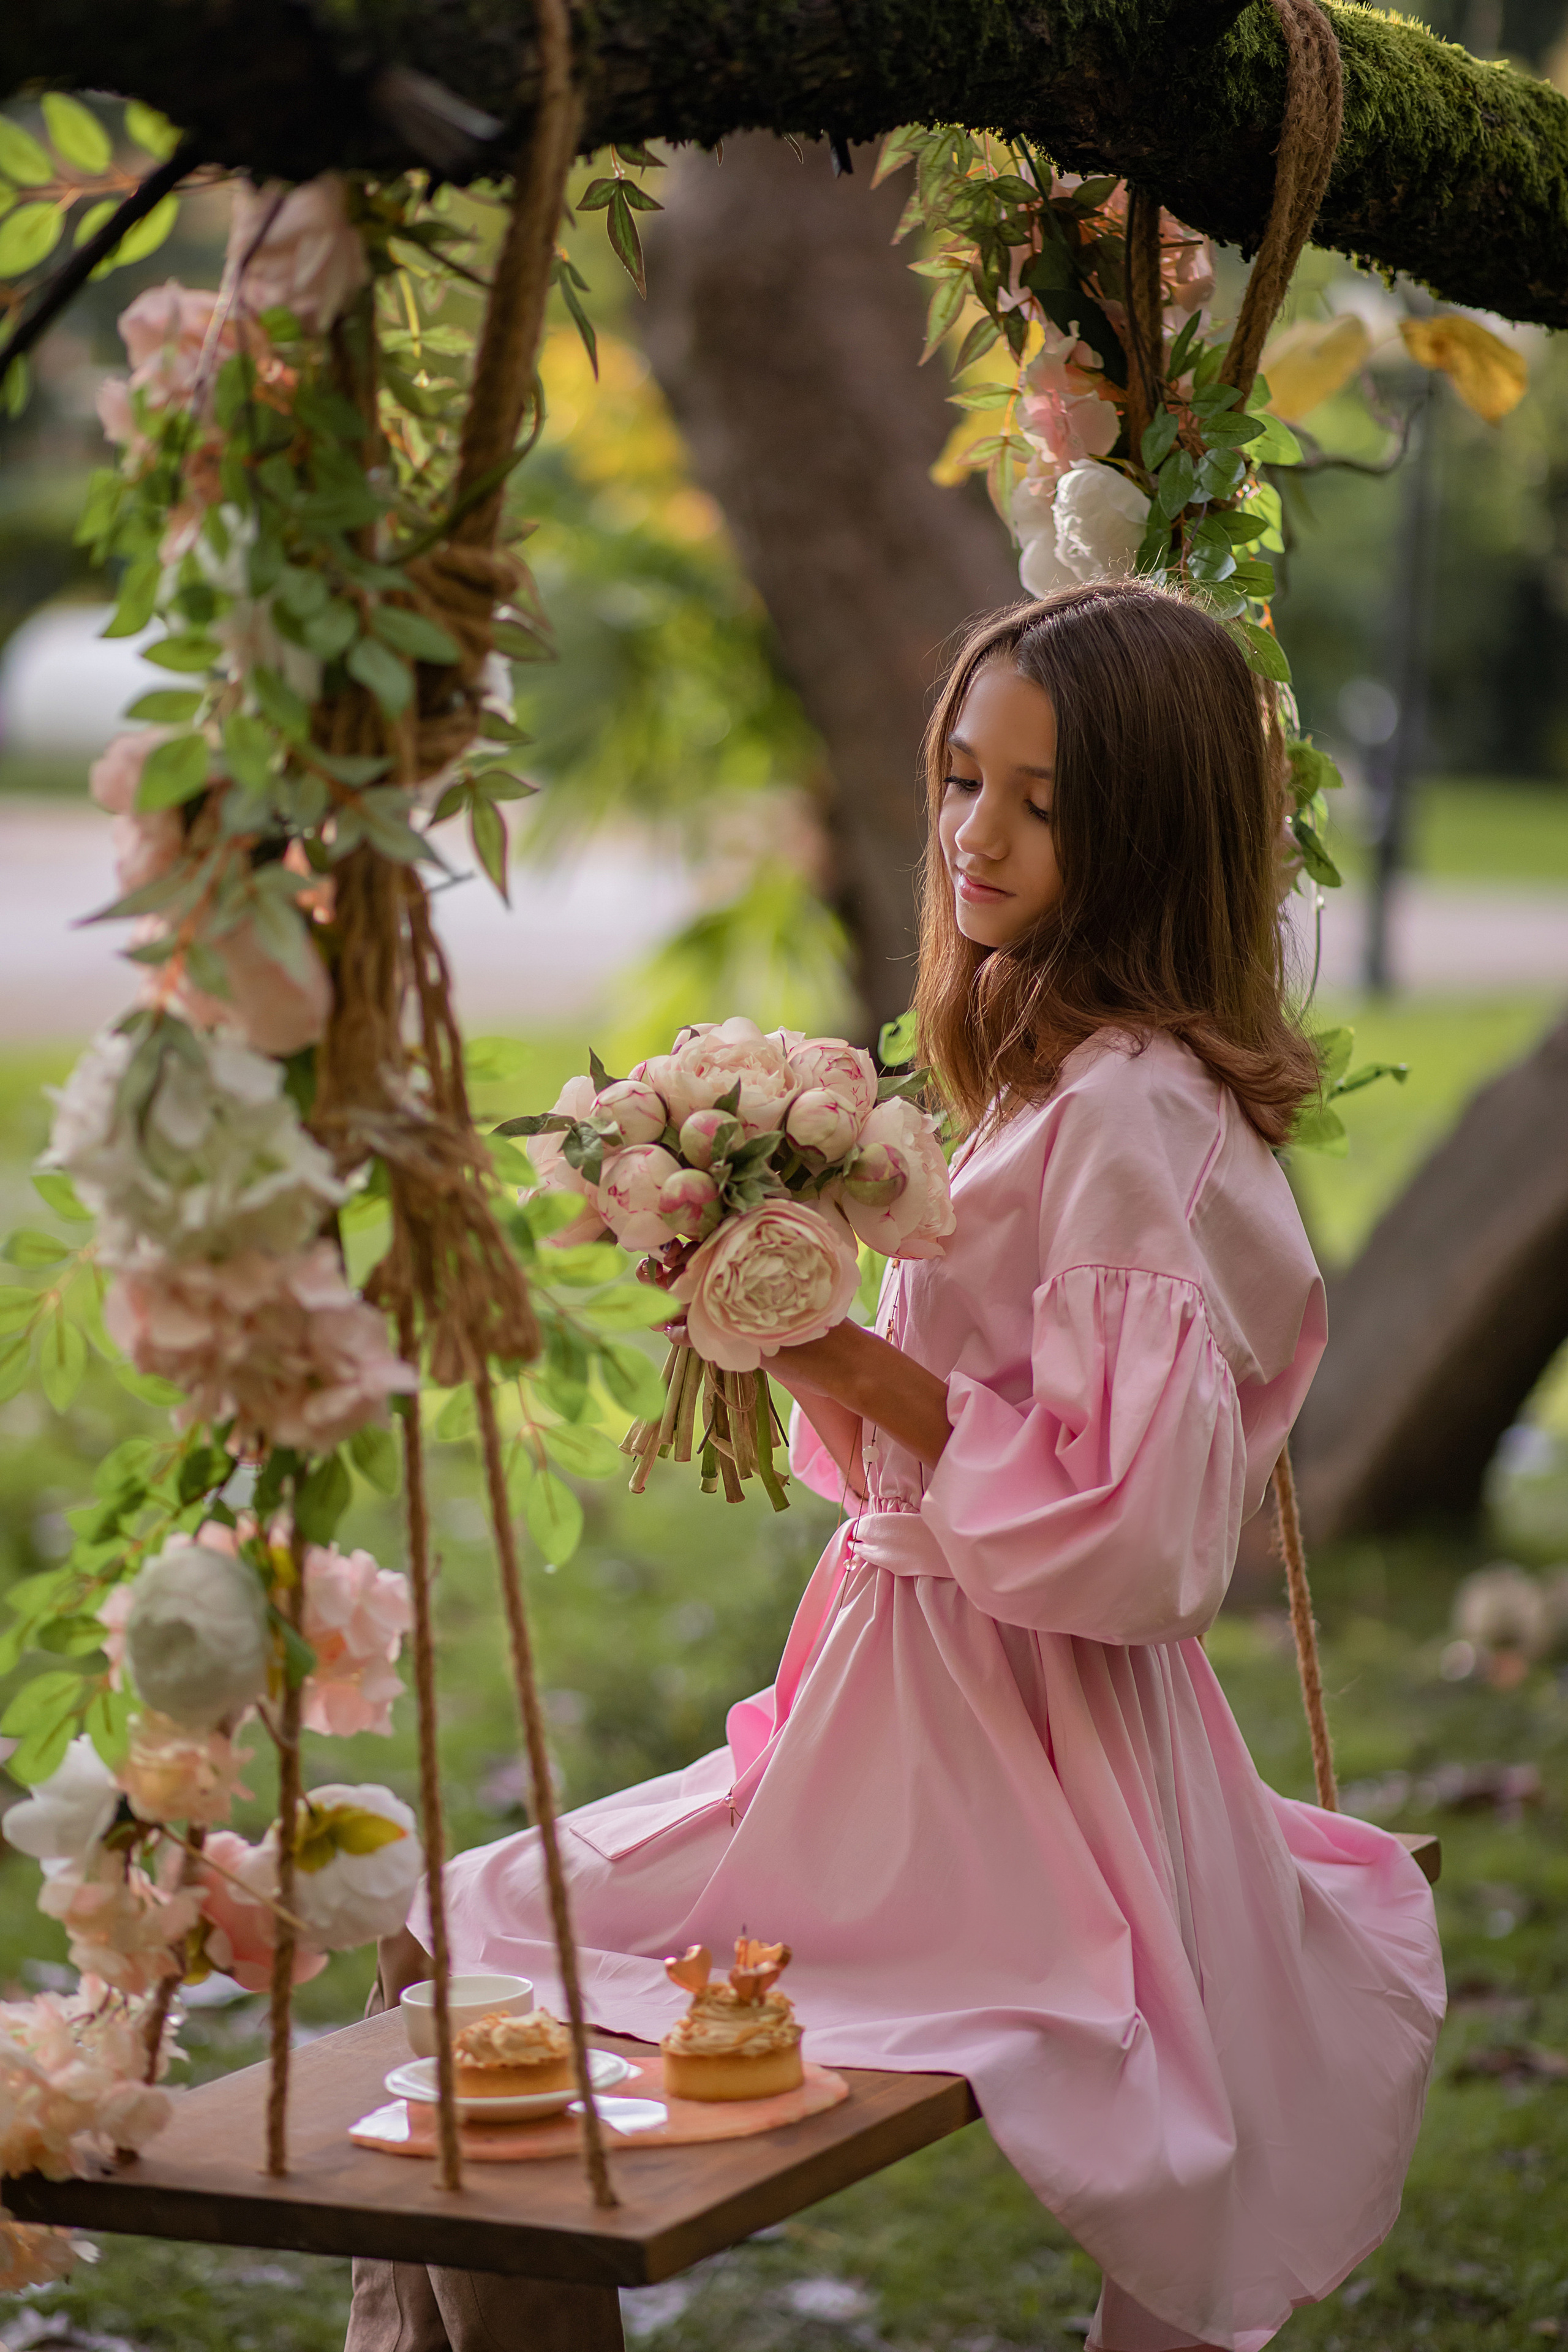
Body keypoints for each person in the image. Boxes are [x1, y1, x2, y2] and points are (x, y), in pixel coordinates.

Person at [350, 582, 1444, 2352]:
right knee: (465, 1939)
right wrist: (774, 1304)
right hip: (903, 1698)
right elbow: (933, 1457)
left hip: (1014, 1768)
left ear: (1147, 833)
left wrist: (849, 1354)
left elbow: (1145, 1535)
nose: (975, 835)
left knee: (482, 1945)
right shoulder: (1049, 1069)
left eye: (1045, 800)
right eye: (961, 777)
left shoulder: (1124, 1115)